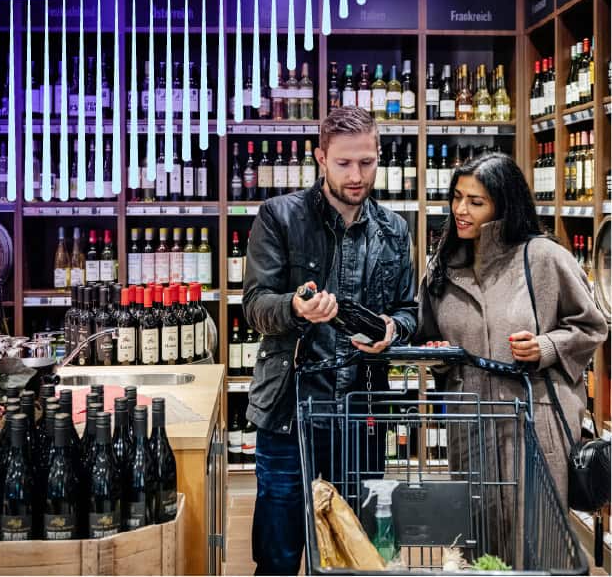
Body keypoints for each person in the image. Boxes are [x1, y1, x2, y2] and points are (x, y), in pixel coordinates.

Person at [243, 106, 417, 575]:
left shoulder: (395, 230)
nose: (356, 175)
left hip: (362, 414)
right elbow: (255, 304)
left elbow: (410, 311)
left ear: (379, 156)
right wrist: (296, 309)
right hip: (289, 410)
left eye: (366, 162)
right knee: (278, 555)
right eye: (343, 163)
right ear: (321, 157)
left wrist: (393, 331)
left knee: (355, 550)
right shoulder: (279, 216)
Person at [416, 152, 608, 563]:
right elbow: (428, 335)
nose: (460, 210)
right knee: (478, 541)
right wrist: (438, 356)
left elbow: (592, 326)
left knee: (537, 543)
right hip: (469, 423)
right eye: (457, 197)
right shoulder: (442, 268)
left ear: (504, 204)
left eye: (476, 201)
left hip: (534, 424)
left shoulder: (543, 257)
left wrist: (547, 347)